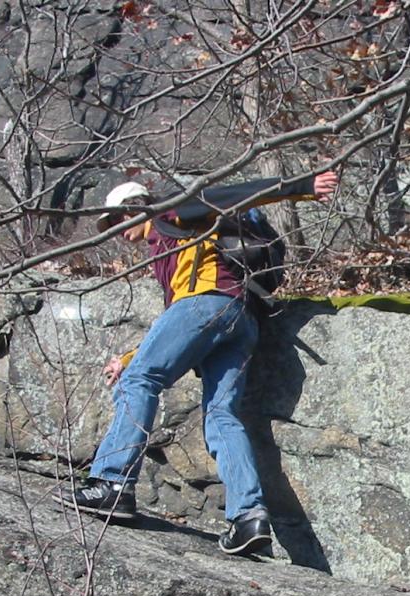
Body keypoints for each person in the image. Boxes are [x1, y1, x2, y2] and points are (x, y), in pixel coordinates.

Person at [53, 171, 338, 555]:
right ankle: (248, 518)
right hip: (240, 318)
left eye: (116, 219)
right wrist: (129, 357)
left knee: (138, 383)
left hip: (207, 305)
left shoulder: (170, 212)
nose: (115, 230)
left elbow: (234, 194)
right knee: (222, 416)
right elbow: (178, 327)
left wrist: (300, 186)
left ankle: (112, 483)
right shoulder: (169, 245)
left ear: (135, 208)